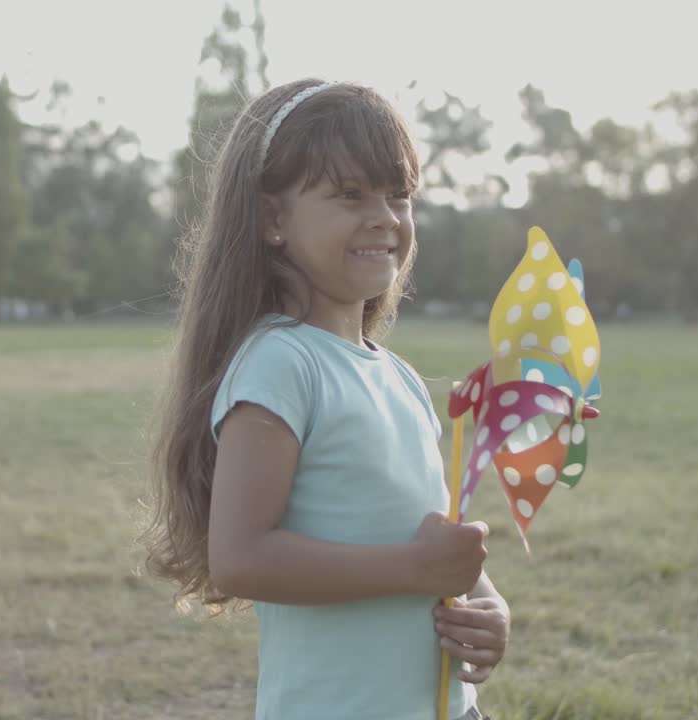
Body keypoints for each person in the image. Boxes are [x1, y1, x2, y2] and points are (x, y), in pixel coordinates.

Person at [143, 79, 510, 720]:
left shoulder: (398, 377)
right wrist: (414, 570)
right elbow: (242, 557)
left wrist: (487, 601)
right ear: (273, 219)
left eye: (399, 195)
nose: (384, 217)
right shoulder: (281, 364)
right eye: (349, 194)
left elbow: (427, 540)